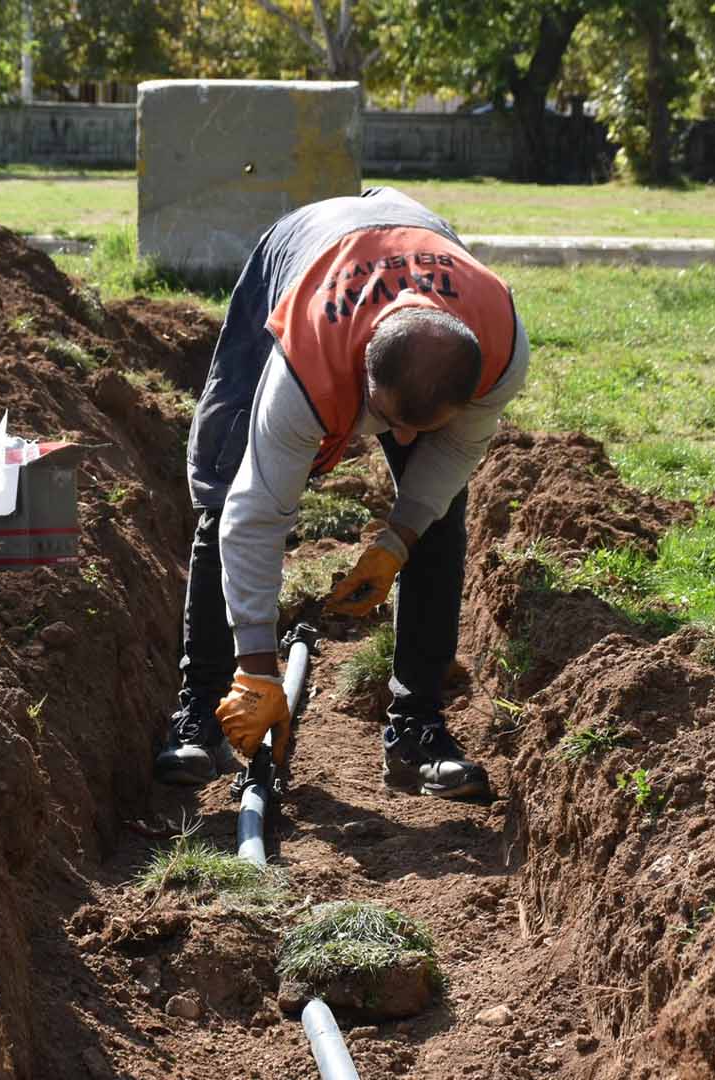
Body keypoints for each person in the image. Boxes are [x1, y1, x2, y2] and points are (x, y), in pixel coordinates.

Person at [152, 187, 530, 800]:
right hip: (304, 252)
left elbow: (455, 451)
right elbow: (256, 512)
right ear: (361, 376)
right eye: (390, 421)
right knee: (225, 488)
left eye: (421, 428)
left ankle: (417, 729)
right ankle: (203, 711)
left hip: (420, 255)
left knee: (440, 515)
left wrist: (398, 537)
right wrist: (256, 669)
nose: (403, 439)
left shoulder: (499, 346)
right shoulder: (307, 361)